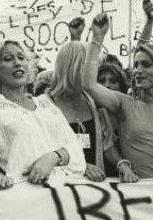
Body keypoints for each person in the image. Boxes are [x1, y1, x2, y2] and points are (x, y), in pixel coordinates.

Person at [0, 4, 86, 187]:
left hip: (67, 195)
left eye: (21, 57)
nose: (17, 63)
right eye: (7, 59)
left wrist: (53, 157)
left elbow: (76, 152)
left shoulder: (46, 103)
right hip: (23, 200)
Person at [83, 13, 153, 180]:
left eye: (146, 65)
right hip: (138, 197)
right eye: (136, 65)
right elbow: (89, 85)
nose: (138, 71)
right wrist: (97, 38)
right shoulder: (125, 103)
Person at [49, 41, 120, 182]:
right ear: (70, 67)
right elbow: (40, 153)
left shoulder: (95, 102)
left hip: (94, 189)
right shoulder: (44, 106)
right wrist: (82, 166)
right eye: (87, 66)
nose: (92, 72)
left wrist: (121, 163)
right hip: (60, 189)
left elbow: (106, 144)